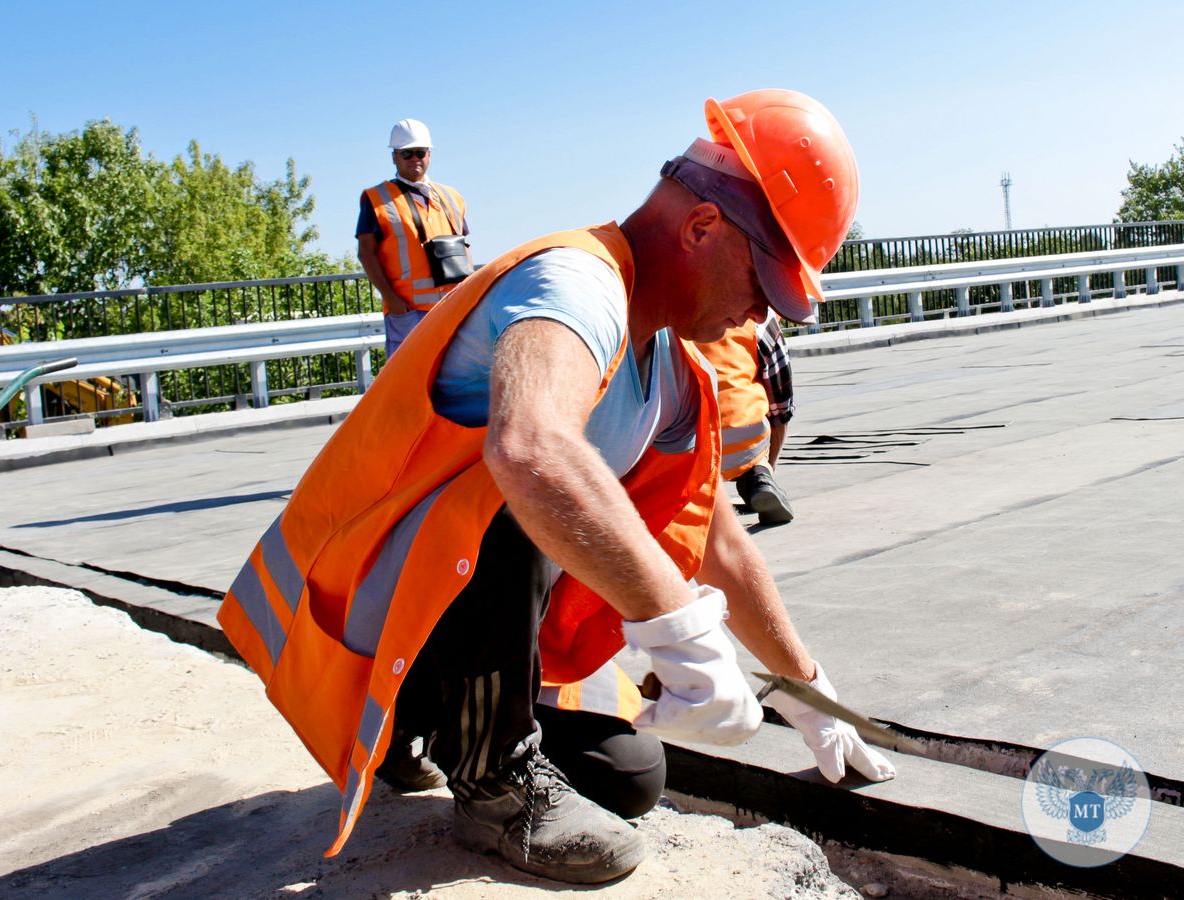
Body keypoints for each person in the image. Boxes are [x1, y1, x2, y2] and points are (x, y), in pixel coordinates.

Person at [221, 90, 894, 886]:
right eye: (765, 281)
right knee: (515, 498)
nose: (762, 311)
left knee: (629, 776)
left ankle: (437, 728)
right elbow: (530, 447)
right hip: (352, 615)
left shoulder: (673, 372)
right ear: (702, 227)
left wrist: (804, 690)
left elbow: (714, 539)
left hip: (444, 638)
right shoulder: (576, 285)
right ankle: (491, 778)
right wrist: (676, 626)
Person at [356, 118, 469, 357]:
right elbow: (366, 253)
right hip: (408, 312)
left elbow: (464, 247)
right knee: (408, 384)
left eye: (420, 153)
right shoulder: (377, 198)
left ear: (429, 155)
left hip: (452, 306)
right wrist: (391, 299)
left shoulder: (451, 197)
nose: (415, 159)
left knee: (452, 382)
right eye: (407, 154)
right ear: (394, 157)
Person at [698, 310, 798, 525]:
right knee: (770, 407)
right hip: (744, 438)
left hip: (686, 442)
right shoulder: (760, 317)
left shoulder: (672, 313)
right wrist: (769, 466)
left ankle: (695, 493)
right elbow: (782, 402)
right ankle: (760, 478)